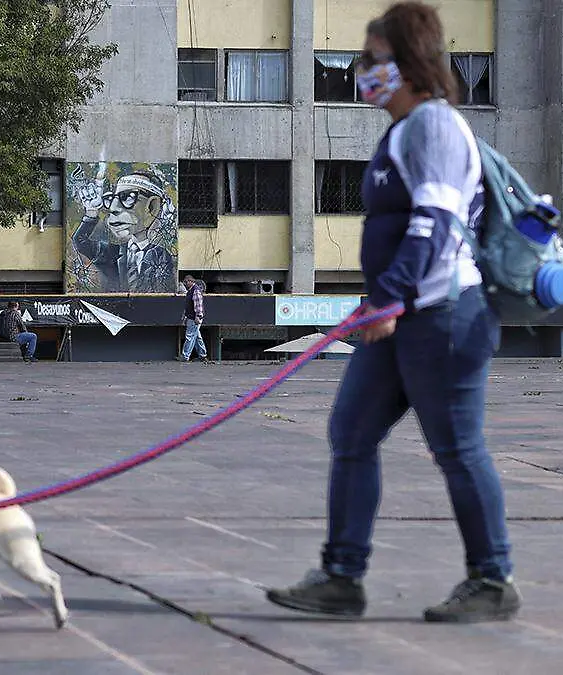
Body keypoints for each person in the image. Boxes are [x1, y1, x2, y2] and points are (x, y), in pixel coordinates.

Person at [265, 2, 520, 623]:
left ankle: (492, 581)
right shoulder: (401, 131)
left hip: (443, 315)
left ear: (409, 64)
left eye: (374, 60)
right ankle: (340, 577)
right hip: (401, 313)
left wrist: (390, 296)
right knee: (351, 433)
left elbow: (434, 225)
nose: (361, 71)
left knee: (457, 447)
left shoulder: (433, 125)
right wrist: (377, 298)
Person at [72, 171, 176, 293]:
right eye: (111, 199)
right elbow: (80, 241)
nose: (113, 208)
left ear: (152, 206)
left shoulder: (161, 255)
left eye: (128, 197)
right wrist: (91, 212)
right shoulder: (112, 252)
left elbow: (164, 290)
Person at [178, 275, 209, 362]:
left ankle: (185, 356)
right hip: (192, 317)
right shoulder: (191, 291)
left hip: (194, 318)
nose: (185, 284)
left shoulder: (195, 291)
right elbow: (189, 305)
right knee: (197, 337)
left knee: (189, 337)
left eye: (186, 282)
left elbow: (198, 305)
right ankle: (203, 355)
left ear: (190, 281)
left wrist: (198, 316)